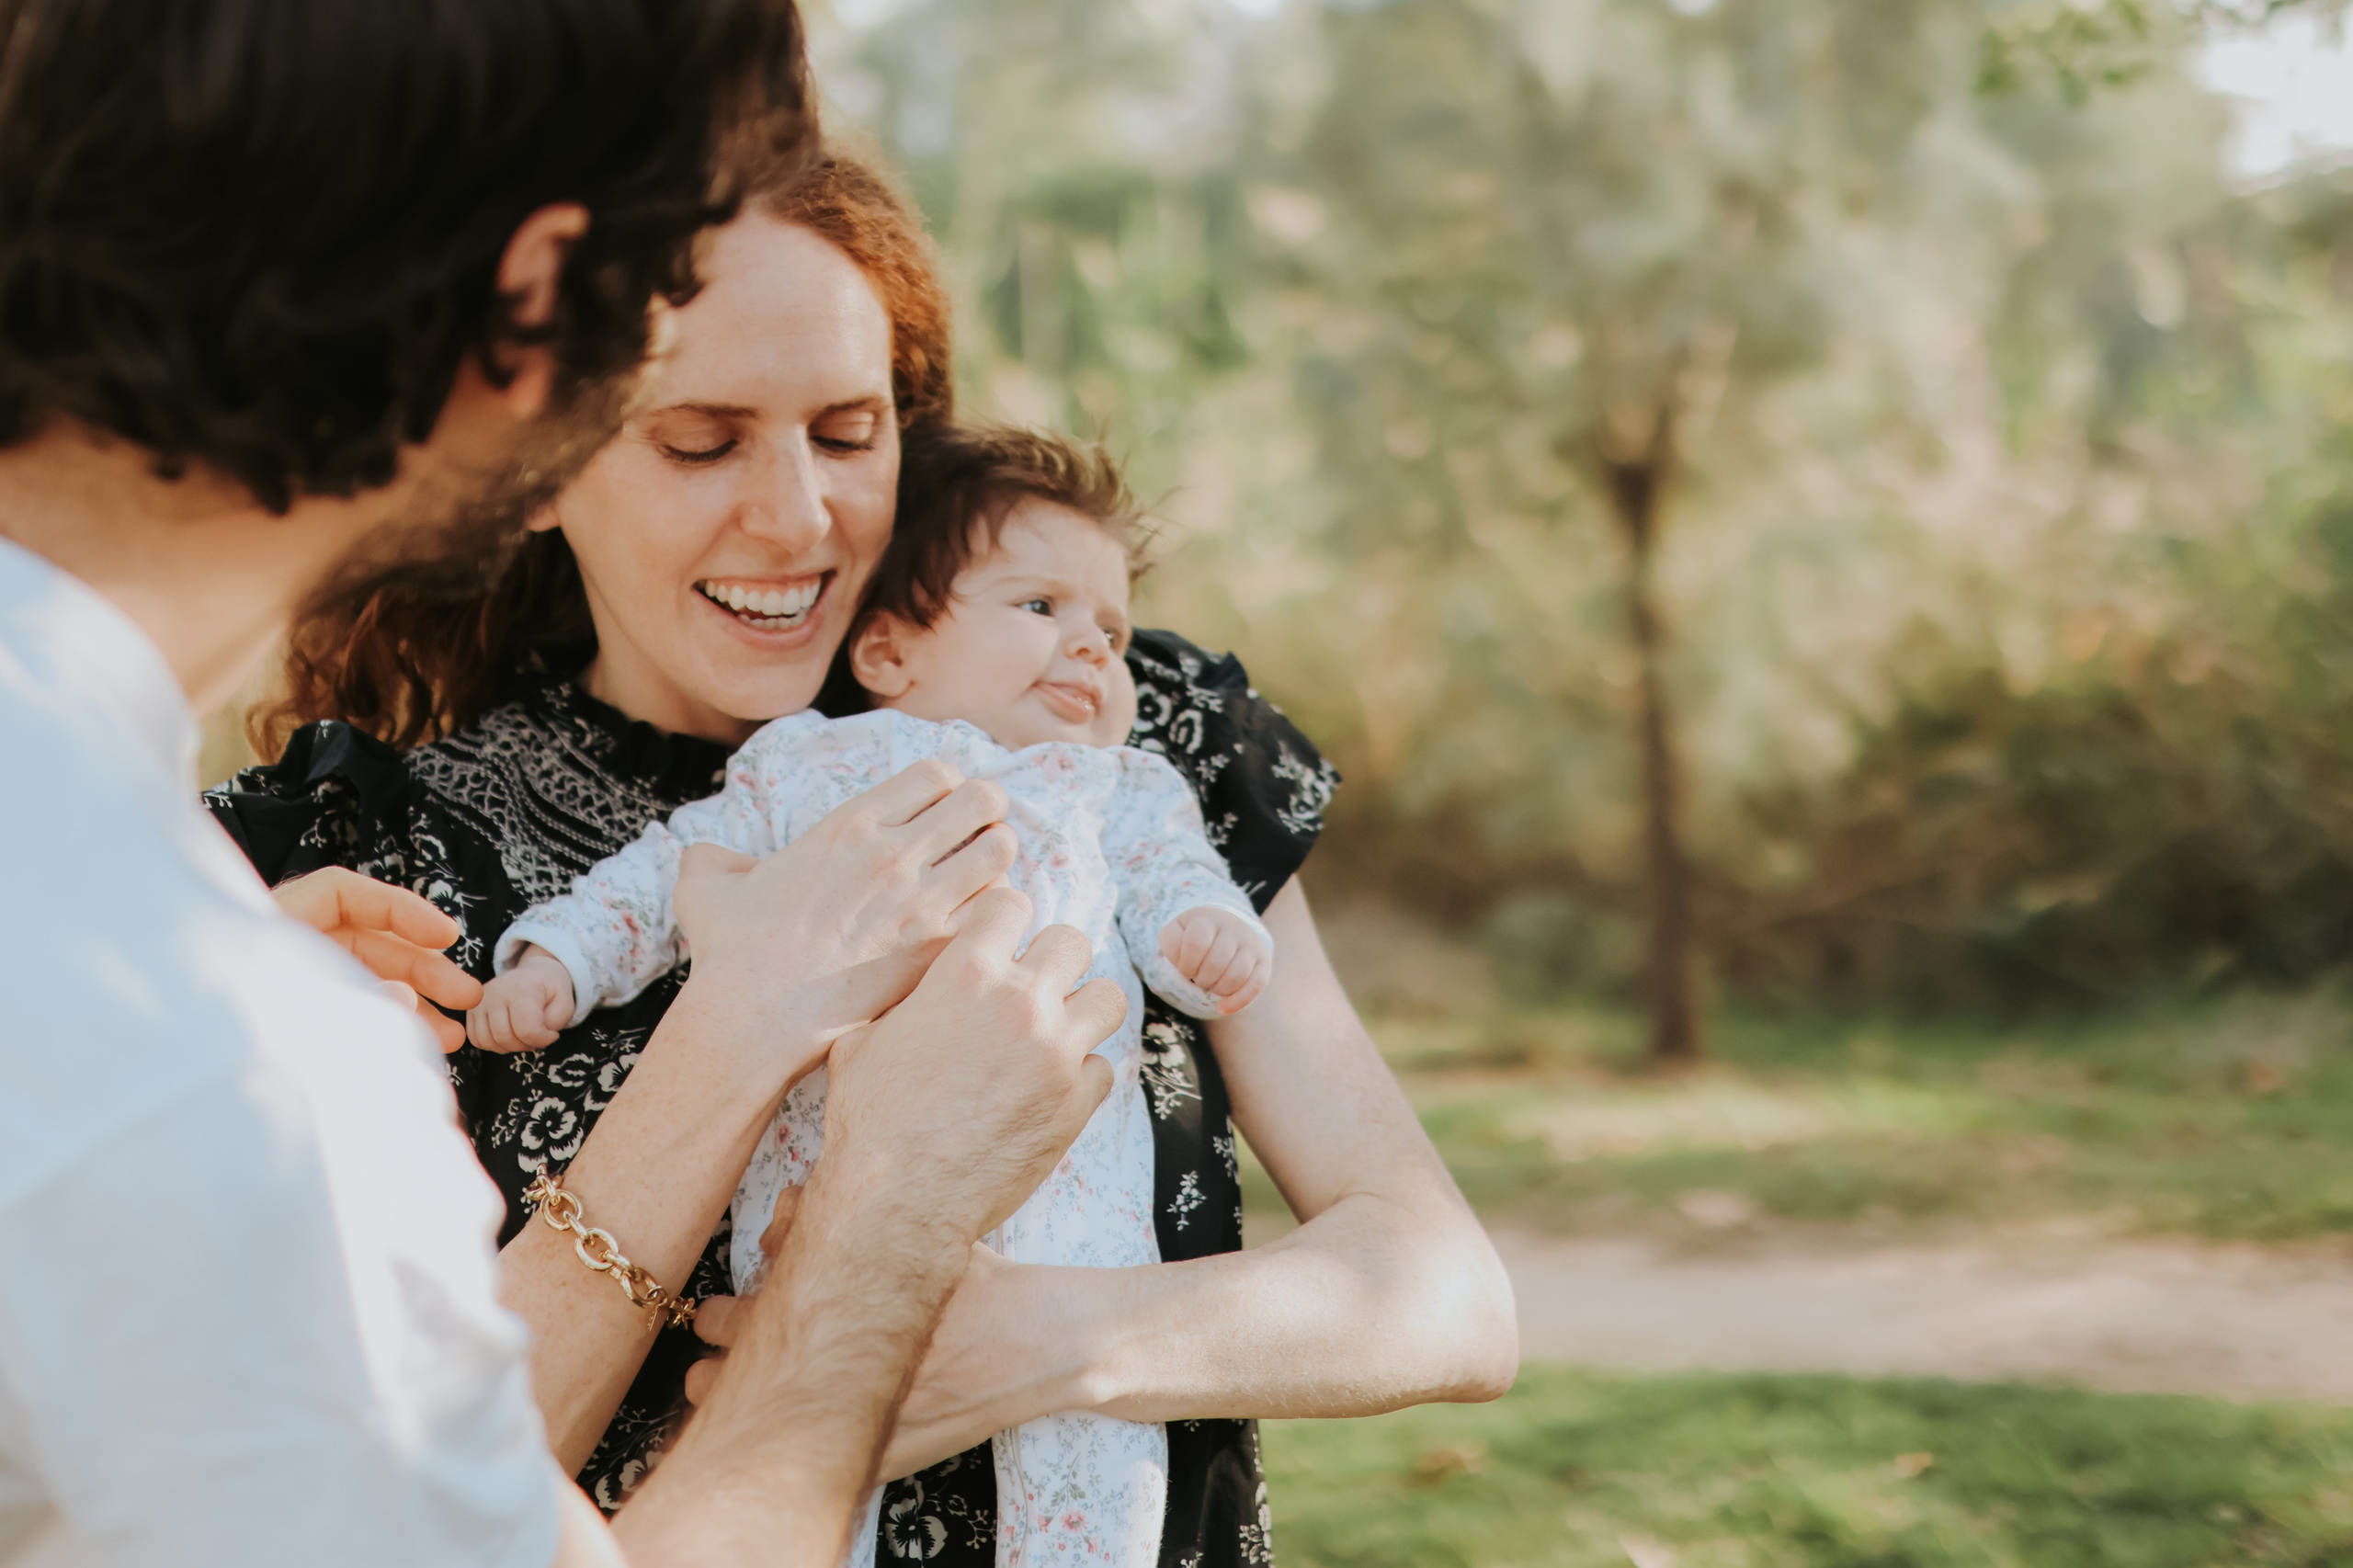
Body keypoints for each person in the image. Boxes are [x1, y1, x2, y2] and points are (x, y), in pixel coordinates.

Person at [207, 148, 1519, 1566]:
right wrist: (743, 1021)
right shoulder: (369, 873)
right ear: (531, 463)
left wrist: (1037, 1344)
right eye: (698, 440)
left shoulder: (1111, 733)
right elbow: (380, 1511)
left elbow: (1443, 1293)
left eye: (847, 433)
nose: (796, 516)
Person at [0, 4, 1124, 1566]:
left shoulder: (140, 939)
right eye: (669, 294)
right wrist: (883, 1228)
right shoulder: (215, 1055)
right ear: (536, 302)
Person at [477, 424, 1276, 1566]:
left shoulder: (1120, 784)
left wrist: (1208, 934)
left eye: (1112, 631)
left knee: (1093, 1463)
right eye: (1042, 607)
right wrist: (556, 957)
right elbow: (674, 868)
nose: (1093, 648)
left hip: (1064, 1188)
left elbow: (1174, 887)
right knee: (799, 1433)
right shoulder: (809, 764)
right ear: (891, 653)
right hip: (822, 1178)